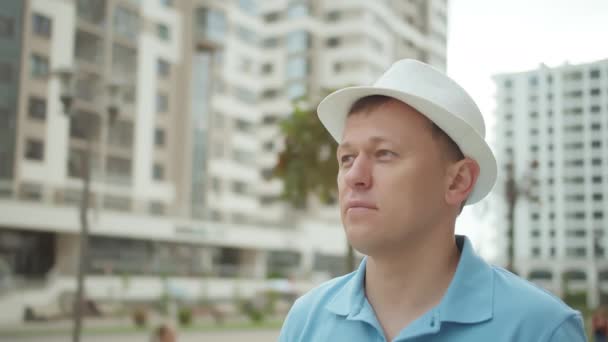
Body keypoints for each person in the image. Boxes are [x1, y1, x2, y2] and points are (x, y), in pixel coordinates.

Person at [278, 59, 586, 341]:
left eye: (384, 154)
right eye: (346, 158)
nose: (353, 176)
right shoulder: (307, 320)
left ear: (457, 181)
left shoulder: (540, 329)